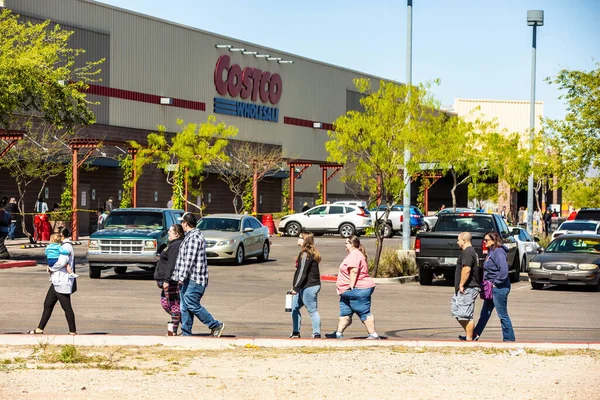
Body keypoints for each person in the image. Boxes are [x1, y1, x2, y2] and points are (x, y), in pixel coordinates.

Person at [171, 212, 225, 337]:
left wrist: (181, 277)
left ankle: (215, 324)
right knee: (185, 307)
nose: (181, 225)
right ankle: (186, 333)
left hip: (194, 279)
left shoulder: (194, 238)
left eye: (182, 222)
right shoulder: (190, 236)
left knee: (192, 304)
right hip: (188, 279)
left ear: (186, 223)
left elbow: (188, 261)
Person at [325, 236, 379, 339]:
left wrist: (351, 285)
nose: (345, 245)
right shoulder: (354, 254)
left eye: (346, 243)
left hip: (358, 289)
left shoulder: (355, 254)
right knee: (345, 313)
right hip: (346, 292)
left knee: (364, 311)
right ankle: (338, 333)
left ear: (352, 244)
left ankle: (373, 334)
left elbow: (354, 270)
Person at [28, 229, 77, 335]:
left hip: (62, 280)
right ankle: (40, 329)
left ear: (63, 235)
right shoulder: (63, 246)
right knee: (48, 304)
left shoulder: (66, 247)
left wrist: (51, 268)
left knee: (66, 306)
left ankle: (72, 331)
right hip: (56, 281)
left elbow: (62, 262)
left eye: (60, 234)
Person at [473, 231, 515, 342]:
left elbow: (504, 271)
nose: (484, 242)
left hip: (499, 288)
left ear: (493, 240)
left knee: (502, 315)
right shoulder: (491, 251)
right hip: (491, 288)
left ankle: (509, 340)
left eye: (486, 240)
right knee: (484, 314)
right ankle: (474, 336)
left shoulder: (498, 252)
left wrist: (495, 283)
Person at [289, 231, 322, 339]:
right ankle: (295, 332)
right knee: (294, 307)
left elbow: (302, 272)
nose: (297, 239)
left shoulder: (305, 254)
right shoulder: (308, 253)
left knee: (312, 310)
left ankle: (316, 333)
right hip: (304, 286)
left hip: (309, 286)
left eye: (299, 237)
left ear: (305, 241)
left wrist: (295, 288)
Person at [154, 224, 184, 335]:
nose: (168, 233)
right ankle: (183, 322)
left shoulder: (176, 245)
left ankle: (175, 329)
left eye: (170, 231)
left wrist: (167, 280)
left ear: (176, 233)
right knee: (166, 303)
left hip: (171, 281)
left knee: (172, 304)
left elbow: (172, 264)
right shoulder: (172, 244)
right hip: (166, 280)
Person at [453, 232, 481, 341]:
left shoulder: (468, 253)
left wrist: (461, 284)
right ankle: (470, 335)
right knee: (457, 312)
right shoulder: (470, 252)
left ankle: (470, 339)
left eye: (458, 240)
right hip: (466, 288)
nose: (457, 242)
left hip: (468, 287)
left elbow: (467, 269)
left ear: (464, 241)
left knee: (465, 315)